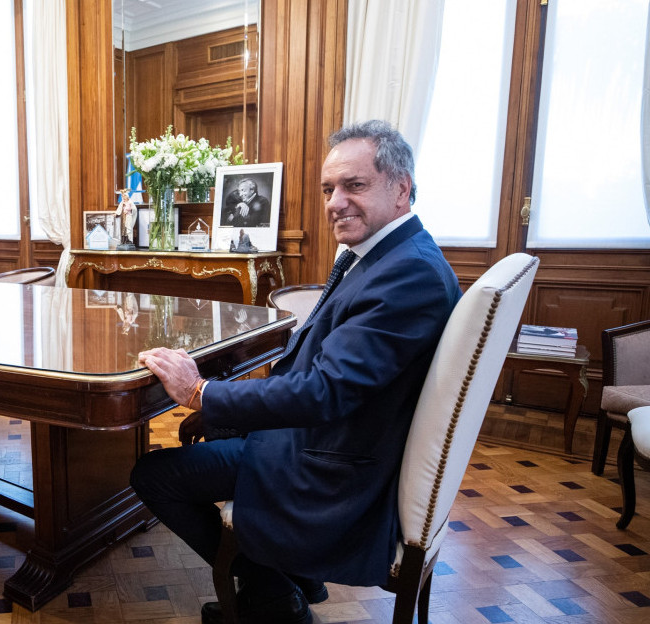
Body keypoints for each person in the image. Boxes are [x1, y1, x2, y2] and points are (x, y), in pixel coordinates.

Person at [130, 120, 462, 624]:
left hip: (330, 464)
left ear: (402, 189)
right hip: (338, 433)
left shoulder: (407, 273)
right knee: (217, 423)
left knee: (153, 475)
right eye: (329, 188)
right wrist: (220, 406)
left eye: (354, 185)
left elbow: (324, 392)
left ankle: (271, 595)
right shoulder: (391, 255)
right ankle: (295, 577)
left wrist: (200, 391)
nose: (334, 202)